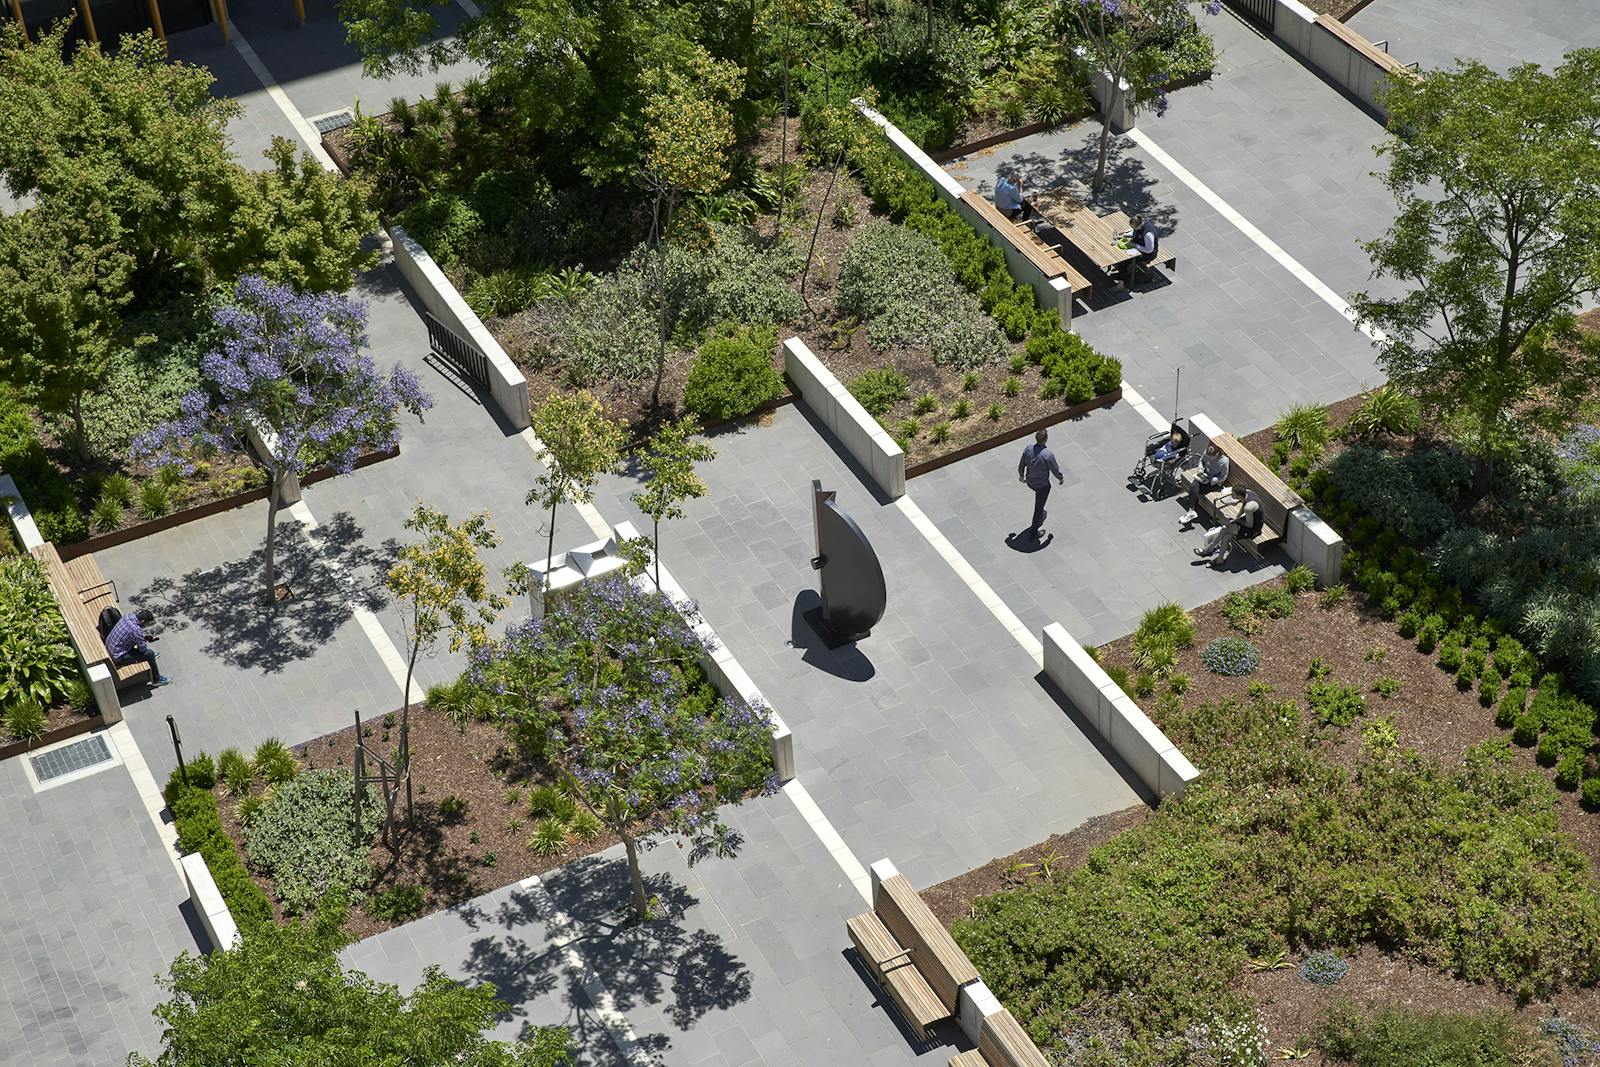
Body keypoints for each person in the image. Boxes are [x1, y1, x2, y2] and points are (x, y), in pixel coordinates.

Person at [1194, 485, 1262, 564]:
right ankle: (1219, 559)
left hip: (1253, 529)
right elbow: (1243, 506)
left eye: (1233, 494)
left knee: (1224, 529)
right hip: (1248, 520)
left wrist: (1235, 519)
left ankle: (1208, 549)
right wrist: (1236, 517)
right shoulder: (1247, 493)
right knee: (1226, 537)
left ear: (1239, 495)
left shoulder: (1249, 507)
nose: (1231, 495)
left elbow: (1249, 524)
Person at [105, 608, 171, 687]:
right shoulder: (136, 630)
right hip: (118, 657)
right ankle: (157, 679)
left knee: (143, 648)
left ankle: (151, 658)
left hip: (111, 645)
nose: (146, 626)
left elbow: (131, 635)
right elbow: (142, 649)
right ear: (143, 621)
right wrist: (143, 640)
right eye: (146, 624)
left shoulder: (128, 616)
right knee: (149, 653)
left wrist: (141, 638)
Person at [1018, 428, 1064, 540]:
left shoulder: (1028, 449)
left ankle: (1042, 513)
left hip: (1030, 482)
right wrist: (1060, 477)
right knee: (1038, 507)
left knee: (1040, 505)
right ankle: (1034, 533)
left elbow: (1021, 465)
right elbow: (1055, 470)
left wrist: (1021, 476)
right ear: (1046, 439)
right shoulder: (1047, 455)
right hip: (1042, 485)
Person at [1179, 443, 1230, 526]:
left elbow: (1223, 477)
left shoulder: (1224, 462)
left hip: (1214, 483)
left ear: (1217, 454)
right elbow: (1201, 461)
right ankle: (1191, 511)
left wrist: (1211, 480)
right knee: (1194, 486)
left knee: (1195, 490)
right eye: (1208, 456)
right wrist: (1200, 469)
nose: (1209, 459)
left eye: (1211, 457)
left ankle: (1191, 512)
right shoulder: (1206, 453)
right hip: (1204, 476)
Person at [1117, 214, 1158, 286]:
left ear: (1139, 225)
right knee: (1120, 254)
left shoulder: (1148, 234)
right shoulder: (1140, 225)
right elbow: (1134, 232)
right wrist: (1125, 234)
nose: (1133, 229)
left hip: (1147, 254)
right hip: (1139, 246)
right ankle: (1123, 274)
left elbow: (1149, 250)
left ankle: (1121, 285)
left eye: (1134, 227)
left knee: (1122, 261)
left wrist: (1135, 245)